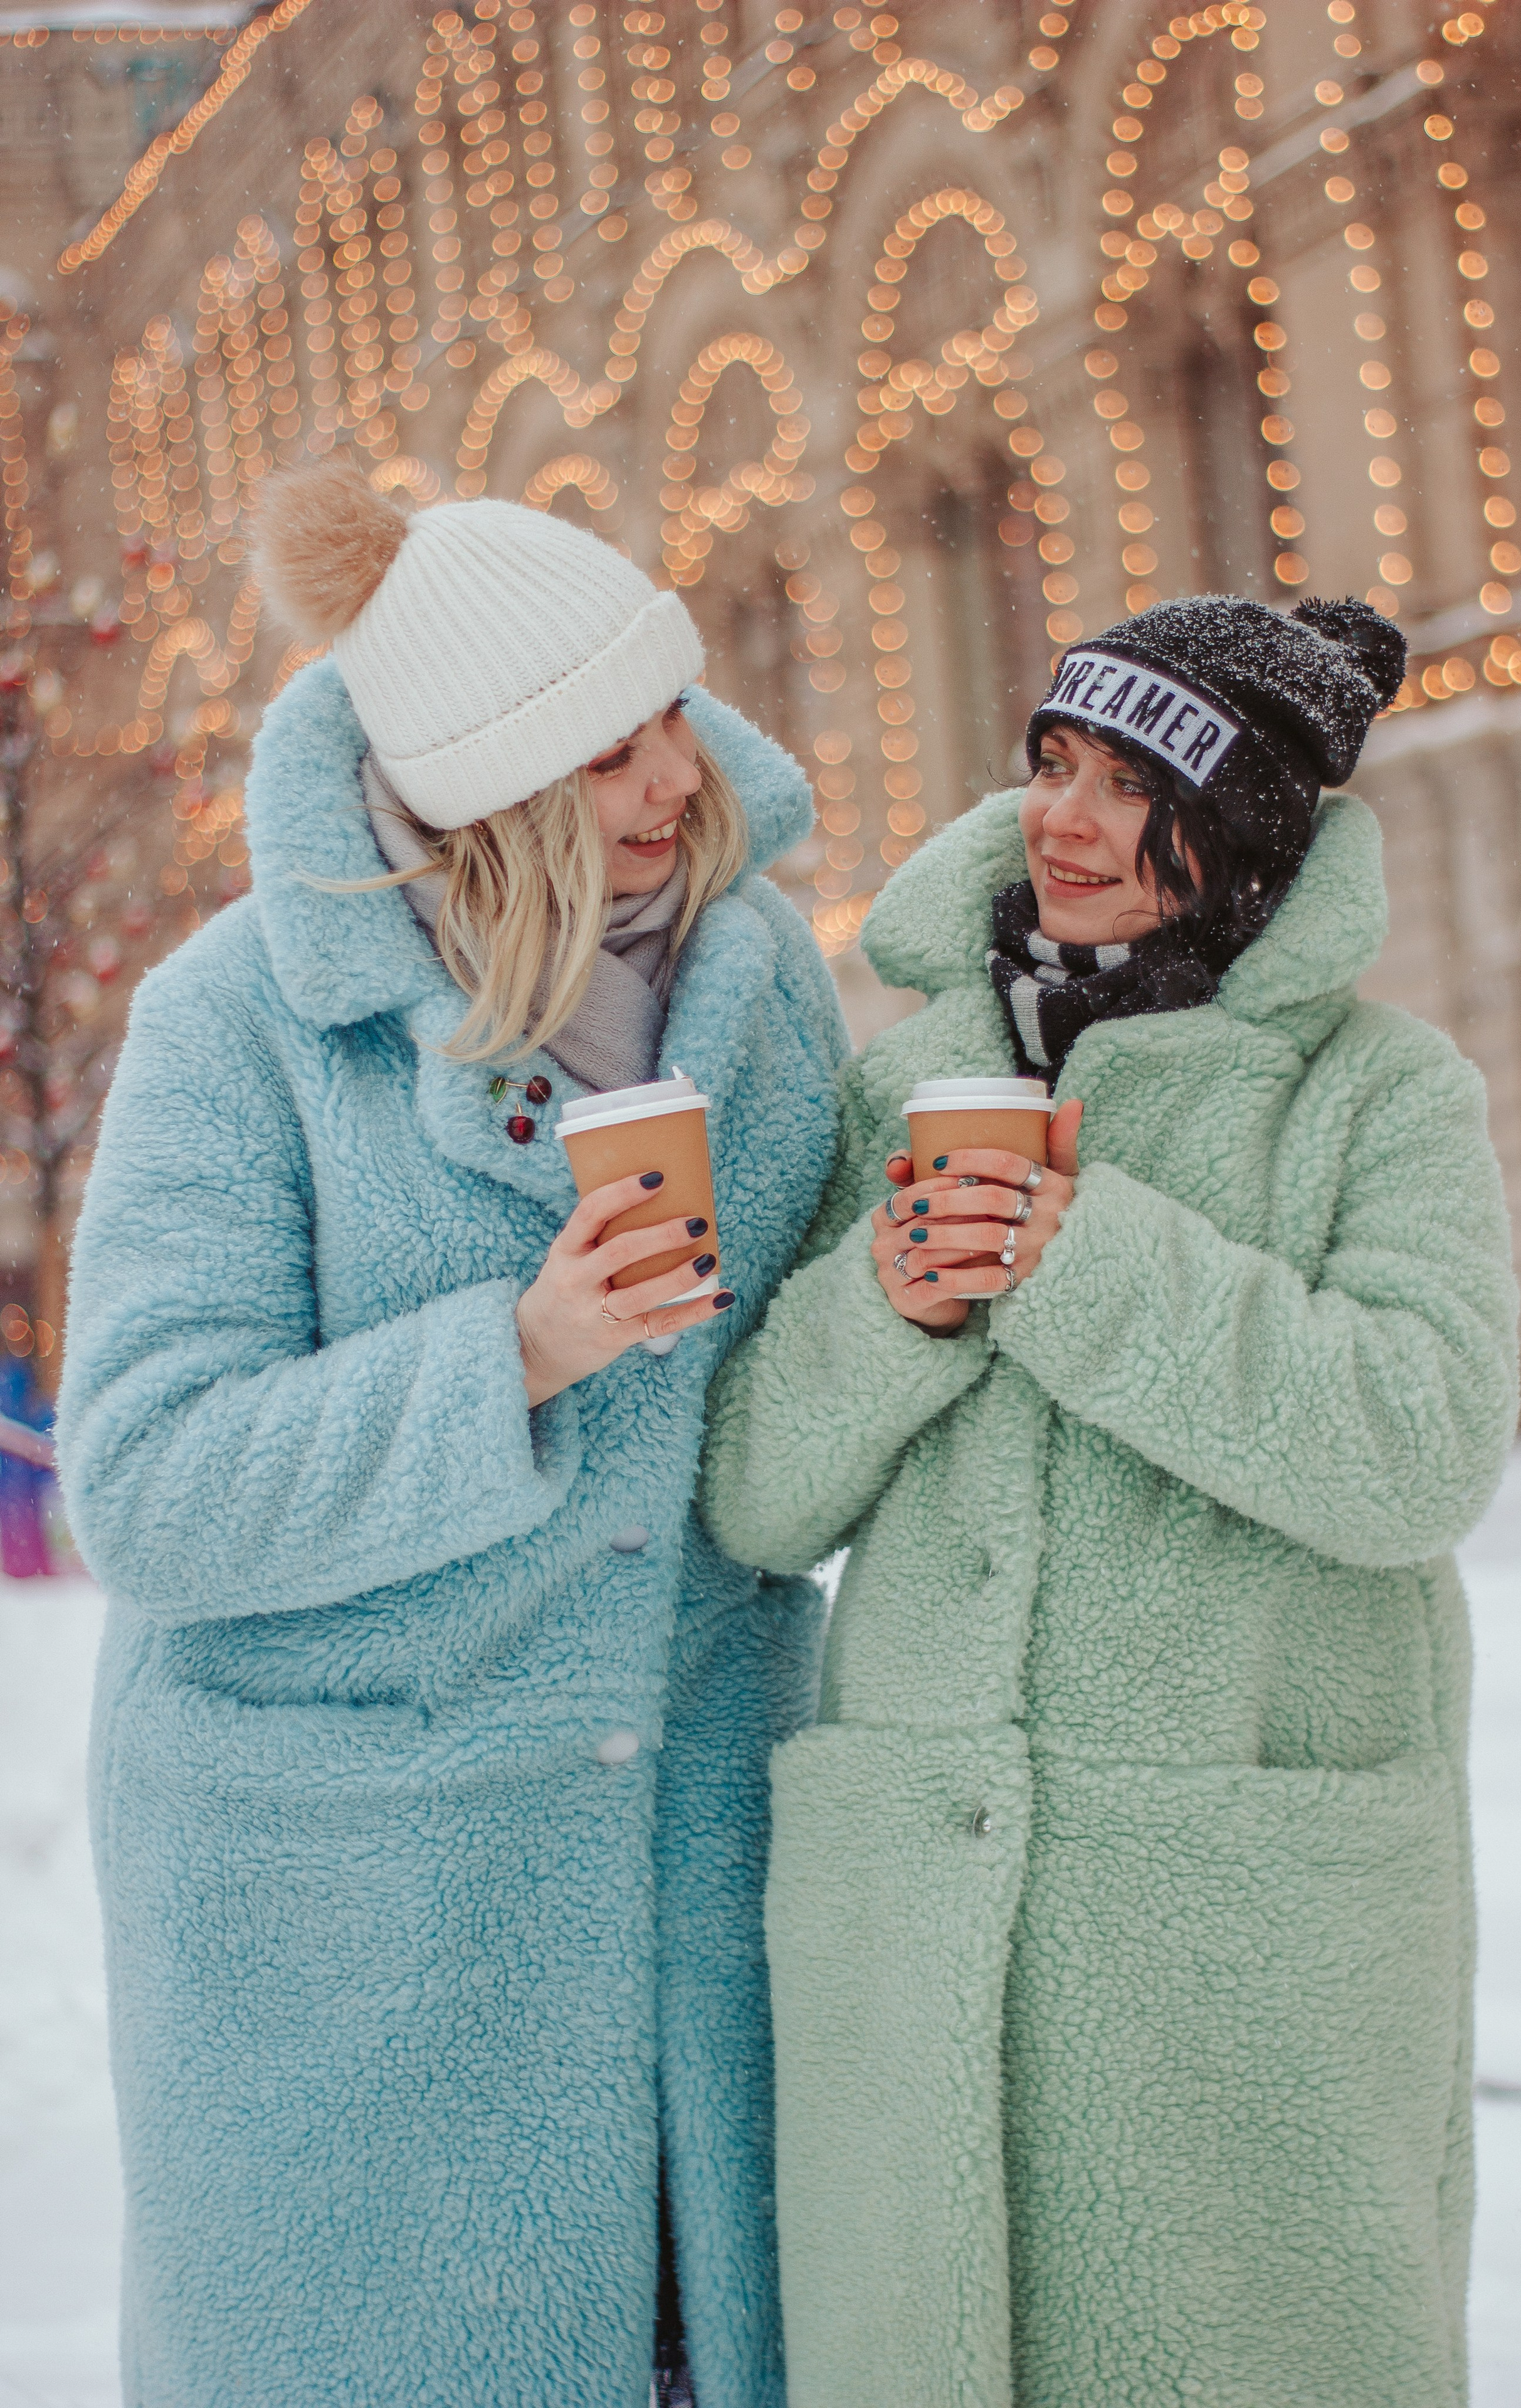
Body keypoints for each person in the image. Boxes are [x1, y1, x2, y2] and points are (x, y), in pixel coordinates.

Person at [57, 461, 846, 2408]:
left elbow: (780, 1443)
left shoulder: (761, 995)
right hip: (361, 1930)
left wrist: (898, 1304)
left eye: (670, 713)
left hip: (699, 1884)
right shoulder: (240, 1024)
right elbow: (147, 1485)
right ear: (487, 786)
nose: (675, 779)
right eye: (611, 754)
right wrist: (510, 1354)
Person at [701, 596, 1520, 2408]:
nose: (1060, 818)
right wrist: (885, 1309)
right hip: (915, 1919)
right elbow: (756, 1496)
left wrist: (1087, 1265)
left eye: (1130, 779)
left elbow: (1421, 1443)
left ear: (1243, 830)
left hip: (1233, 1937)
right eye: (1053, 763)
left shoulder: (1376, 1098)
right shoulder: (905, 1085)